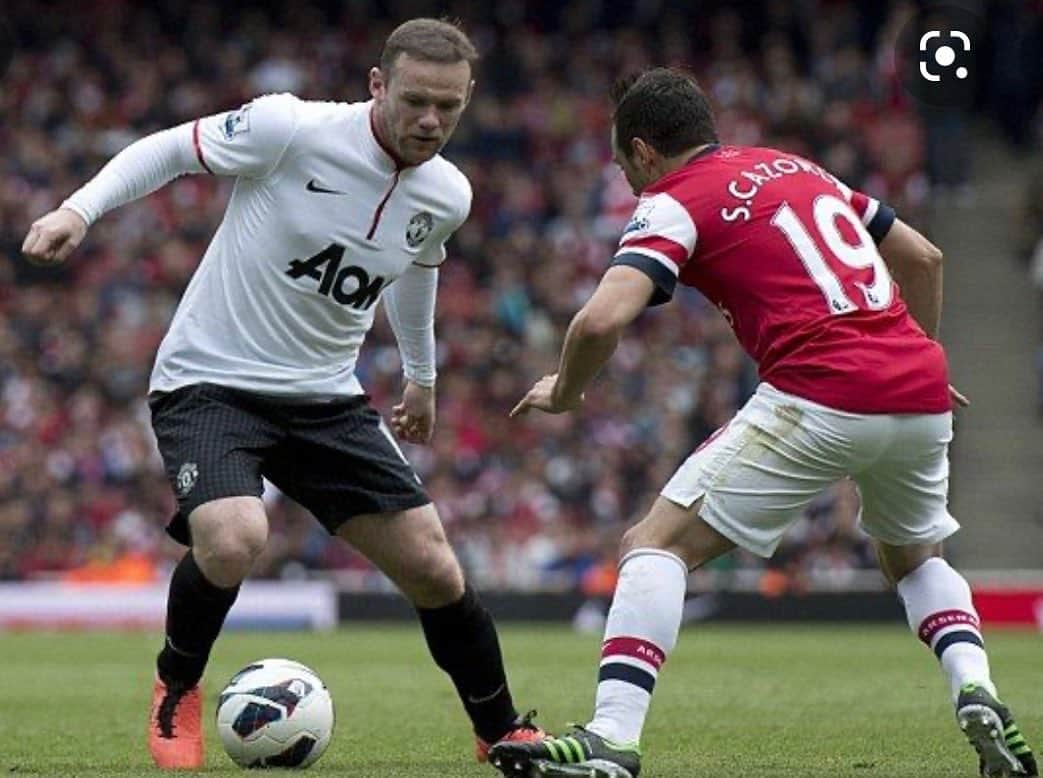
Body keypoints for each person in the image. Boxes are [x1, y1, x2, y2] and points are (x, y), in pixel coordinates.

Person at [22, 18, 543, 771]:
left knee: (433, 567)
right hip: (210, 380)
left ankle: (498, 729)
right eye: (416, 100)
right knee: (235, 537)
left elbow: (417, 268)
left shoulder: (447, 193)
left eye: (449, 107)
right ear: (377, 84)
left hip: (325, 397)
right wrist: (79, 208)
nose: (431, 120)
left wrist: (421, 376)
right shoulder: (287, 128)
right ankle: (176, 686)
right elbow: (170, 149)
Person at [491, 68, 1037, 778]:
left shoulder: (672, 201)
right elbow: (922, 255)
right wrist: (917, 353)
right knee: (914, 559)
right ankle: (975, 685)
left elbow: (600, 318)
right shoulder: (795, 167)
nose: (628, 179)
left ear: (642, 152)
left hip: (818, 390)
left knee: (653, 544)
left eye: (624, 163)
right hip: (919, 391)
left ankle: (612, 738)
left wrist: (565, 390)